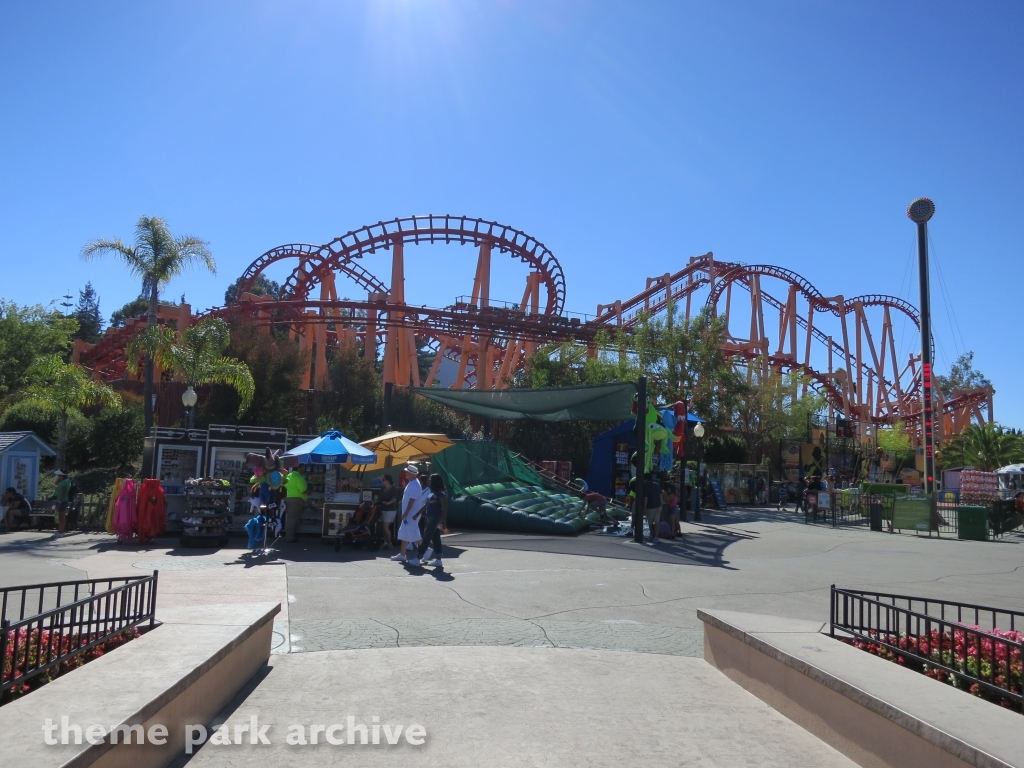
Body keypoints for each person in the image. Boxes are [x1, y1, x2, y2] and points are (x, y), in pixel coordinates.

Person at [408, 474, 447, 568]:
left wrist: (444, 520)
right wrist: (417, 514)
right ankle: (438, 560)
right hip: (429, 517)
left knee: (426, 537)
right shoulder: (431, 492)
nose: (429, 481)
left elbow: (445, 507)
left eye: (430, 479)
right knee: (436, 538)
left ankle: (418, 558)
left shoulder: (441, 492)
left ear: (435, 481)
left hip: (435, 518)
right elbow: (426, 505)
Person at [391, 464, 428, 563]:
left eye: (407, 472)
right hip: (410, 514)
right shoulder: (412, 483)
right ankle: (402, 554)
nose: (406, 473)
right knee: (405, 533)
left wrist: (406, 512)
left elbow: (412, 500)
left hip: (411, 515)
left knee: (413, 534)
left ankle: (426, 550)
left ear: (412, 474)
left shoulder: (414, 484)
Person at [283, 465, 307, 543]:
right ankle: (289, 538)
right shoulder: (299, 477)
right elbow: (303, 490)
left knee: (290, 519)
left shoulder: (289, 476)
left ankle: (289, 535)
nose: (304, 469)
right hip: (296, 500)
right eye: (303, 467)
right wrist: (309, 492)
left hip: (288, 498)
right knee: (292, 520)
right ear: (299, 468)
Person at [376, 474, 398, 548]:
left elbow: (394, 499)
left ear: (388, 481)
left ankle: (390, 542)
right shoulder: (382, 488)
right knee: (383, 527)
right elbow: (379, 497)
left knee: (386, 526)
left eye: (383, 480)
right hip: (382, 509)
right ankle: (385, 542)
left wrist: (387, 503)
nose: (382, 481)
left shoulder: (393, 489)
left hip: (390, 510)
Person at [644, 473, 662, 541]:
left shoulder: (645, 486)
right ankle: (656, 537)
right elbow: (660, 496)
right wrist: (661, 505)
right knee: (657, 522)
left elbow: (646, 498)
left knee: (650, 523)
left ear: (646, 479)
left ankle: (652, 535)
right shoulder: (657, 485)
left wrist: (644, 508)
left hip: (650, 506)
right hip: (658, 505)